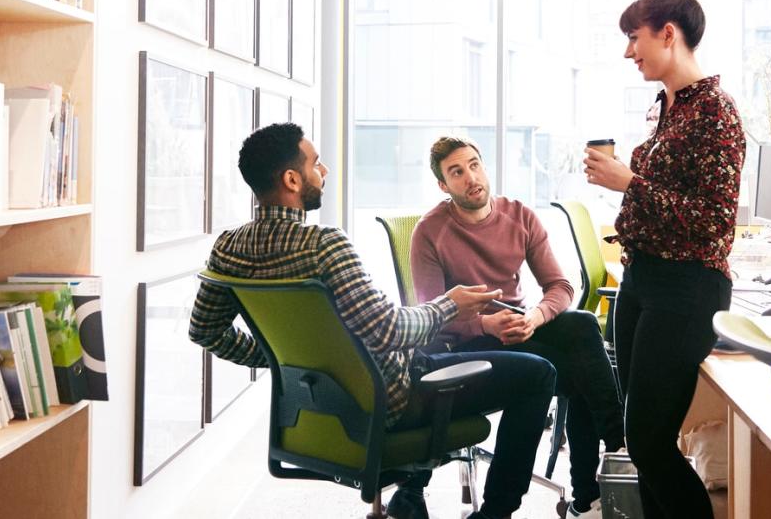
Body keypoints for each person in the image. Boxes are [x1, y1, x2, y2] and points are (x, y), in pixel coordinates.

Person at [189, 123, 556, 519]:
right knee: (538, 375)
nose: (324, 170)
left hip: (318, 403)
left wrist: (282, 358)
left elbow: (204, 330)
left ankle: (411, 495)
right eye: (315, 163)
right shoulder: (324, 245)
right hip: (396, 396)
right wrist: (451, 306)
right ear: (292, 179)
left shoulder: (227, 248)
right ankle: (495, 514)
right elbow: (389, 331)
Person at [582, 0, 745, 519]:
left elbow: (715, 223)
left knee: (650, 442)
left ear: (668, 33)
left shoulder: (715, 113)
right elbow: (664, 202)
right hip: (643, 281)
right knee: (642, 442)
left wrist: (631, 184)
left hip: (687, 287)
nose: (629, 51)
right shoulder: (666, 108)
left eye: (636, 37)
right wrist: (630, 192)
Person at [408, 136, 625, 519]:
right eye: (456, 172)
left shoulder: (519, 215)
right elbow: (431, 317)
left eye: (474, 165)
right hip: (466, 344)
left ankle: (615, 448)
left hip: (521, 327)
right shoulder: (430, 232)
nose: (470, 177)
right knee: (569, 368)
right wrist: (484, 324)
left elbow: (560, 286)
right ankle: (591, 481)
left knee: (582, 326)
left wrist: (535, 317)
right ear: (444, 186)